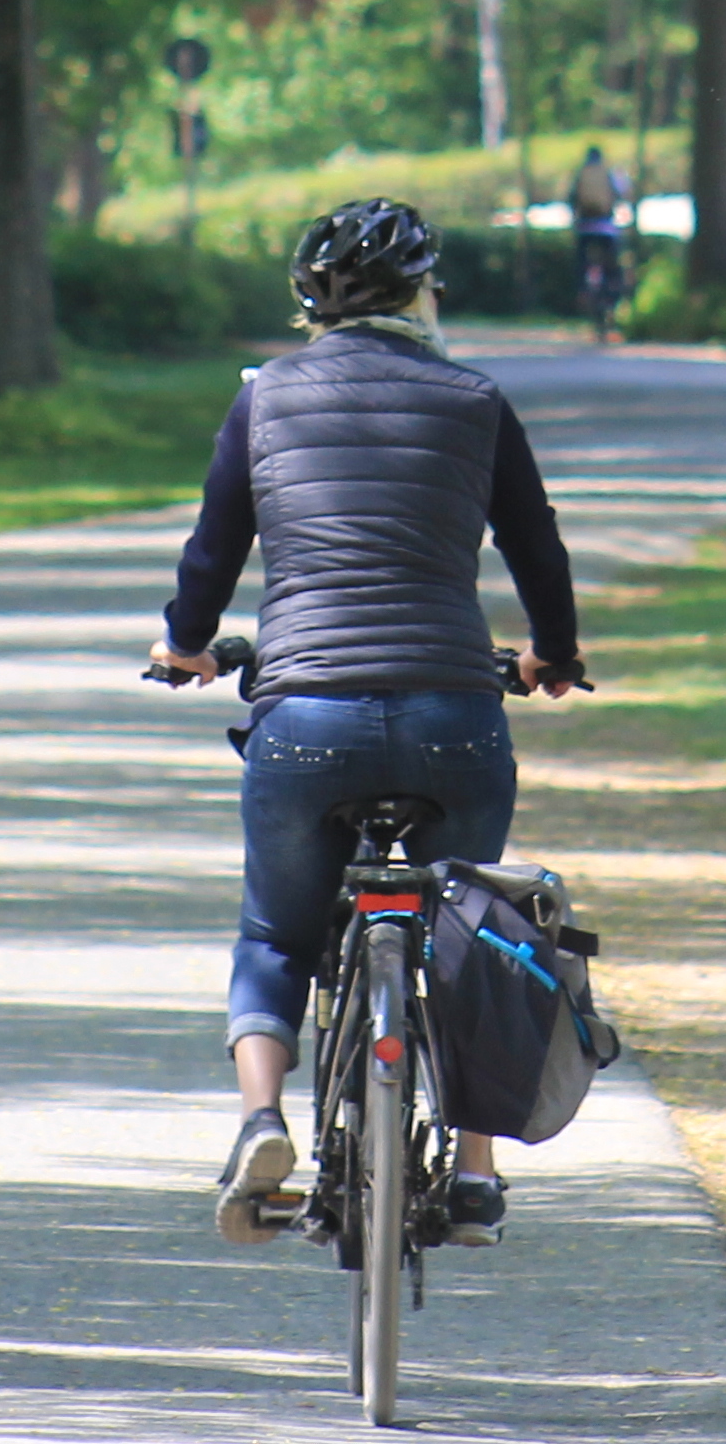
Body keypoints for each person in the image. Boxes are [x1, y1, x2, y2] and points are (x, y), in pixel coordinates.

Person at [147, 196, 590, 1248]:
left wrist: (186, 644)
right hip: (453, 711)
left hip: (305, 716)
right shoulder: (475, 398)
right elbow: (539, 552)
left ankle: (262, 1120)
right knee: (469, 936)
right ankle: (475, 1176)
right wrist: (553, 658)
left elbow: (214, 549)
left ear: (308, 306)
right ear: (424, 293)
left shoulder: (265, 399)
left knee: (275, 932)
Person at [563, 143, 631, 339]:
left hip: (584, 228)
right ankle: (611, 297)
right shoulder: (610, 173)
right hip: (607, 229)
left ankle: (583, 290)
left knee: (582, 262)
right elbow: (622, 195)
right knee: (612, 269)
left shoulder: (580, 174)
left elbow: (570, 198)